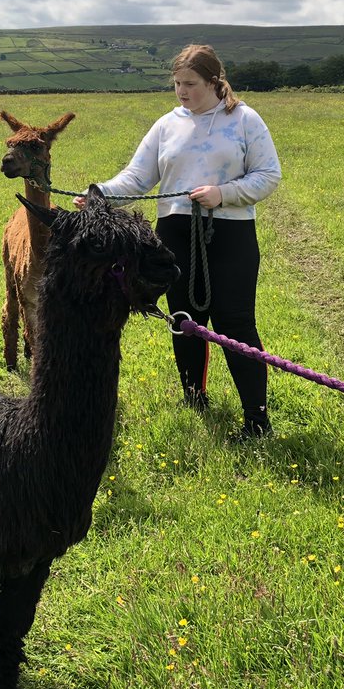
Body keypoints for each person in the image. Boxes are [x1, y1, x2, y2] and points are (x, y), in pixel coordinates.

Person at [77, 44, 281, 439]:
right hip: (174, 234)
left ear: (213, 81)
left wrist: (224, 194)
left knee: (235, 323)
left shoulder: (243, 119)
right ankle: (194, 400)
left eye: (190, 84)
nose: (181, 91)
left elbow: (268, 175)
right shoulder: (167, 124)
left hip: (230, 234)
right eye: (177, 83)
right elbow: (137, 178)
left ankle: (257, 421)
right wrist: (99, 192)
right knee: (184, 320)